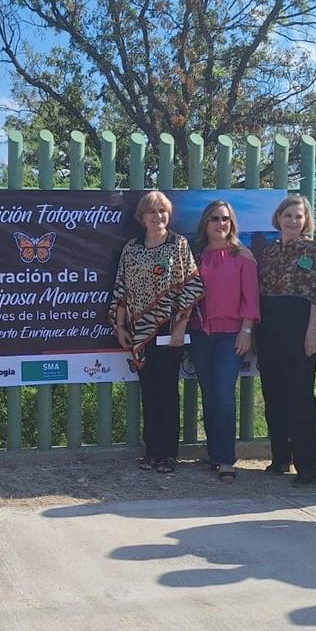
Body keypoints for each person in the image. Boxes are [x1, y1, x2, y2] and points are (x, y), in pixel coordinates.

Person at [110, 190, 204, 474]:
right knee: (149, 392)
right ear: (142, 217)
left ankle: (168, 455)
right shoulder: (132, 248)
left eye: (162, 211)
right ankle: (152, 452)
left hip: (168, 329)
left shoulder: (178, 244)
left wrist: (180, 328)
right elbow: (122, 289)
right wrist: (120, 326)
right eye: (152, 211)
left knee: (167, 392)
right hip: (139, 330)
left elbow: (192, 287)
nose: (157, 216)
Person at [256, 194, 316, 485]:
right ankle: (280, 457)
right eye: (288, 215)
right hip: (270, 329)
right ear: (278, 218)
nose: (293, 221)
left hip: (301, 329)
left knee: (300, 396)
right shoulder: (269, 252)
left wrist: (312, 332)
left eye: (298, 216)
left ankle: (307, 465)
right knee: (273, 394)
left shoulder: (313, 251)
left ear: (306, 220)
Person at [188, 200, 258, 485]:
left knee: (224, 395)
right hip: (200, 334)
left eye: (225, 219)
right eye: (214, 218)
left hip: (231, 335)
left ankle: (227, 460)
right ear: (206, 222)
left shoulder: (242, 256)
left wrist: (246, 331)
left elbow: (250, 298)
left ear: (232, 223)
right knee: (209, 394)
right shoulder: (195, 256)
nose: (220, 223)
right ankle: (215, 454)